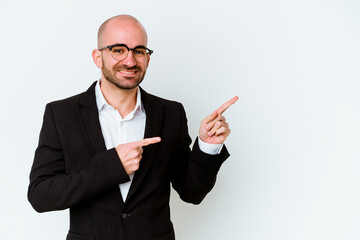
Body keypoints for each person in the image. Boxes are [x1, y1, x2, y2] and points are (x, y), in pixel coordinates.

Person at [28, 14, 238, 240]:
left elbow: (192, 192)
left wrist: (207, 147)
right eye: (118, 50)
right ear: (98, 58)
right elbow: (41, 195)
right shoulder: (62, 114)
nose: (130, 61)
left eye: (139, 51)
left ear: (147, 59)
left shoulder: (171, 114)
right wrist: (112, 167)